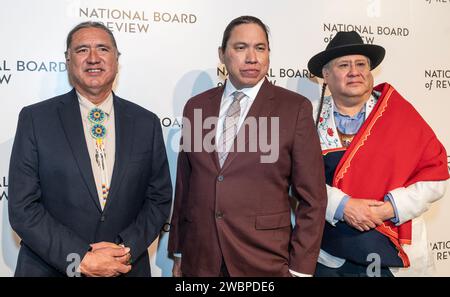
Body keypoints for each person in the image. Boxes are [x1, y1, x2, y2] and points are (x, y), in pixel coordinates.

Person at [8, 21, 172, 277]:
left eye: (103, 49)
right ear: (68, 60)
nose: (93, 58)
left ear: (117, 59)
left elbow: (159, 198)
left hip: (124, 268)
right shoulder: (36, 119)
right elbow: (23, 208)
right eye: (82, 49)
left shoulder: (146, 122)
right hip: (51, 269)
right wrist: (79, 258)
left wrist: (122, 252)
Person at [168, 15, 327, 277]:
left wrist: (300, 270)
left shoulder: (294, 108)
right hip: (201, 259)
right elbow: (186, 184)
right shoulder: (196, 106)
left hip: (263, 261)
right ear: (222, 54)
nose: (252, 57)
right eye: (240, 48)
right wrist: (180, 251)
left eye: (260, 48)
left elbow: (313, 198)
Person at [307, 31, 449, 277]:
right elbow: (295, 179)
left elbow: (434, 178)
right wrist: (343, 206)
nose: (355, 71)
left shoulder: (400, 115)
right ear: (326, 76)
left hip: (393, 253)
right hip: (329, 255)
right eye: (344, 65)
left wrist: (385, 210)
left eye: (361, 64)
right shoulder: (307, 117)